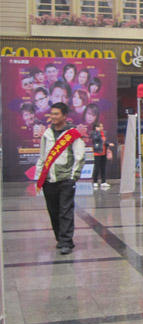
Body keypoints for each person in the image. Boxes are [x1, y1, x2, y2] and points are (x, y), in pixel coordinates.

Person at [34, 102, 86, 255]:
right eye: (52, 114)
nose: (53, 116)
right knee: (53, 211)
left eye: (56, 114)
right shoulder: (47, 134)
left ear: (64, 116)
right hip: (49, 180)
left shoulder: (73, 134)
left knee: (65, 211)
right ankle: (60, 238)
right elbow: (42, 157)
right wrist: (39, 177)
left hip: (65, 180)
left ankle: (66, 241)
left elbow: (80, 156)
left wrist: (73, 177)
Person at [90, 122, 114, 189]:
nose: (101, 128)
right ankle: (95, 181)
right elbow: (95, 139)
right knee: (97, 167)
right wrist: (98, 132)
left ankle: (103, 182)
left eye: (102, 126)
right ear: (96, 127)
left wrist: (109, 144)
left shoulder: (104, 133)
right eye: (99, 126)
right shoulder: (93, 133)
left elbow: (105, 141)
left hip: (104, 152)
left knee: (103, 167)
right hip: (97, 152)